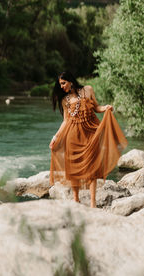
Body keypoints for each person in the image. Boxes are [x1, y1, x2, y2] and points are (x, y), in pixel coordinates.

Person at [49, 71, 127, 208]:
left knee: (92, 168)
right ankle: (76, 199)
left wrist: (105, 108)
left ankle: (92, 203)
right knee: (73, 168)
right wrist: (55, 137)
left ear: (71, 81)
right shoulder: (64, 100)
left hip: (91, 133)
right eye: (60, 84)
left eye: (63, 83)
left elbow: (96, 107)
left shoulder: (88, 89)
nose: (61, 87)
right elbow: (66, 121)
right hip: (72, 136)